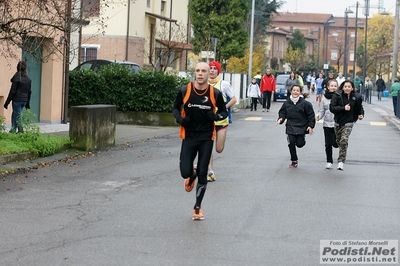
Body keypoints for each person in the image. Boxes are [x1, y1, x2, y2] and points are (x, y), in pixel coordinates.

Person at [172, 62, 228, 220]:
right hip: (189, 136)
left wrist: (216, 117)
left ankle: (197, 207)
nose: (201, 73)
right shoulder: (185, 90)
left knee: (204, 173)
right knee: (185, 173)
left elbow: (224, 112)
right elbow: (175, 108)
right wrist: (180, 119)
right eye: (198, 71)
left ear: (209, 73)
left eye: (204, 70)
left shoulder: (214, 93)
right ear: (195, 73)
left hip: (206, 137)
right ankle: (192, 173)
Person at [207, 60, 237, 182]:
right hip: (207, 122)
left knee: (219, 149)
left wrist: (224, 108)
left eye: (215, 68)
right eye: (211, 68)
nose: (212, 70)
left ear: (218, 71)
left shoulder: (223, 84)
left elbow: (234, 99)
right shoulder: (203, 84)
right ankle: (210, 171)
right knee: (207, 147)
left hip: (221, 121)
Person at [277, 84, 315, 168]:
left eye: (297, 90)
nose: (295, 92)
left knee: (300, 144)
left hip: (302, 126)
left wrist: (310, 126)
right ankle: (294, 160)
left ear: (300, 92)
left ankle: (302, 140)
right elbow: (282, 113)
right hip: (290, 126)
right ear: (291, 91)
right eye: (294, 90)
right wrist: (280, 119)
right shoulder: (287, 103)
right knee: (291, 143)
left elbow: (311, 115)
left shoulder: (305, 103)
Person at [329, 80, 364, 171]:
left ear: (352, 88)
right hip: (338, 122)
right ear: (342, 87)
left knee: (344, 140)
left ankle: (341, 161)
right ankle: (339, 149)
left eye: (349, 87)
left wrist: (361, 114)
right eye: (345, 86)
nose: (347, 88)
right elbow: (332, 108)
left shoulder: (356, 97)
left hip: (349, 122)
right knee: (338, 142)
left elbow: (359, 108)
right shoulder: (337, 95)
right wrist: (343, 108)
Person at [316, 79, 339, 169]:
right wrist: (318, 116)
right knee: (328, 144)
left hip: (337, 124)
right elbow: (322, 110)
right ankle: (329, 161)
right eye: (331, 86)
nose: (333, 87)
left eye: (335, 86)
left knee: (335, 143)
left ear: (337, 87)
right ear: (328, 87)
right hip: (327, 124)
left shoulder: (339, 96)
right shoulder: (324, 98)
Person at [3, 61, 32, 133]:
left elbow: (12, 91)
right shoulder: (28, 79)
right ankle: (12, 130)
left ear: (17, 68)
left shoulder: (16, 78)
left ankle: (21, 131)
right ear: (25, 68)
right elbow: (29, 92)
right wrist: (27, 103)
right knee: (15, 114)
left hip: (17, 100)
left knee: (18, 115)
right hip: (24, 100)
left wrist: (7, 102)